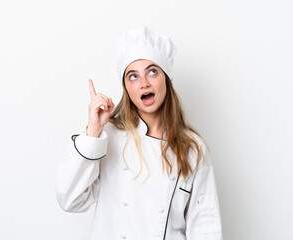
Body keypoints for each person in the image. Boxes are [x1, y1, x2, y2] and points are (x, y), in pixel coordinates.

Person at [56, 26, 223, 240]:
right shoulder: (108, 136)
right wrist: (93, 132)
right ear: (126, 87)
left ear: (166, 78)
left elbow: (205, 227)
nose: (144, 83)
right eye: (133, 76)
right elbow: (69, 199)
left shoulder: (193, 148)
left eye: (152, 71)